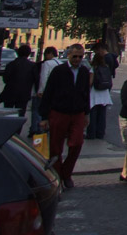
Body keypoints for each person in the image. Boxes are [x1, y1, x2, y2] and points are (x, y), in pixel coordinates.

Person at [38, 43, 90, 189]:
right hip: (59, 112)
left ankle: (66, 173)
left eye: (80, 56)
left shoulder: (84, 72)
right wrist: (44, 117)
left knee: (77, 143)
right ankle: (57, 175)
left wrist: (86, 113)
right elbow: (48, 93)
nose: (78, 59)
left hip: (78, 113)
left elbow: (86, 93)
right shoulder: (58, 71)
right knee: (56, 147)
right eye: (75, 56)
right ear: (68, 55)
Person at [0, 43, 37, 134]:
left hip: (10, 93)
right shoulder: (32, 66)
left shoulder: (11, 64)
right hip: (23, 95)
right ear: (28, 54)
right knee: (20, 115)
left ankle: (7, 132)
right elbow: (36, 80)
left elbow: (5, 79)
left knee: (8, 114)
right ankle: (16, 133)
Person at [31, 46, 59, 137]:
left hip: (46, 91)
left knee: (38, 110)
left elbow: (43, 77)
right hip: (56, 92)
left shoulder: (47, 64)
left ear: (50, 54)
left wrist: (40, 91)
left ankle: (37, 129)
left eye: (46, 54)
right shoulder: (61, 63)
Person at [86, 48, 113, 139]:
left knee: (93, 115)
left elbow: (90, 82)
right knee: (102, 115)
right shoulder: (106, 67)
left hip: (95, 93)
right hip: (104, 94)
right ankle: (100, 133)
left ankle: (91, 133)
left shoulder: (93, 68)